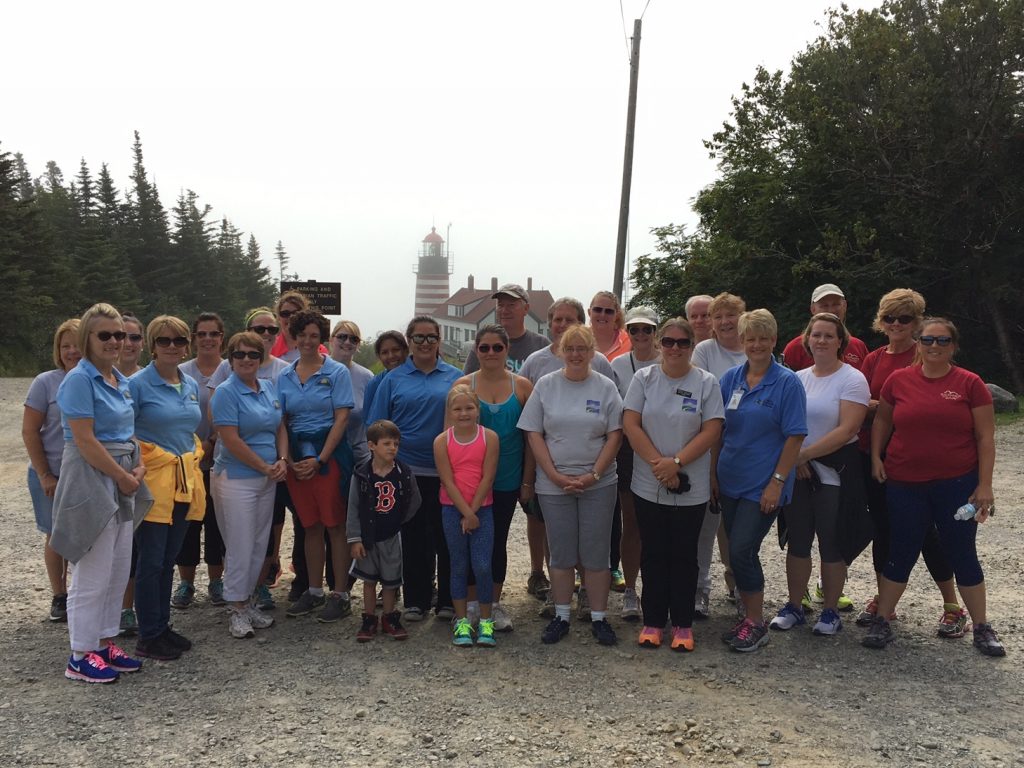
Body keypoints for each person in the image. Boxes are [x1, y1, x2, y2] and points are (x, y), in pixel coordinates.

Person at [865, 318, 1003, 656]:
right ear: (919, 343)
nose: (934, 347)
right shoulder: (898, 380)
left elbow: (985, 437)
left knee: (962, 553)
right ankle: (883, 620)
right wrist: (875, 457)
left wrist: (985, 485)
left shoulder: (970, 384)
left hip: (956, 484)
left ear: (953, 346)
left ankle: (982, 626)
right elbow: (882, 419)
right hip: (904, 482)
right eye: (928, 340)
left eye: (942, 341)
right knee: (902, 549)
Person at [50, 303, 152, 683]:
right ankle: (80, 653)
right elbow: (85, 440)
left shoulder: (119, 381)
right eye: (105, 335)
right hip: (93, 478)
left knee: (116, 566)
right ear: (87, 339)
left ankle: (104, 640)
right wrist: (122, 476)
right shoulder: (79, 380)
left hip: (122, 475)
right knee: (92, 570)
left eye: (119, 335)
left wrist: (136, 467)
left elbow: (124, 432)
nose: (114, 341)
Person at [855, 289, 963, 633]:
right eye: (890, 318)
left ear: (918, 322)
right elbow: (862, 404)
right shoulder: (873, 359)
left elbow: (936, 403)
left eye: (905, 318)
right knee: (882, 528)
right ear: (881, 322)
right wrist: (884, 409)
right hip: (874, 452)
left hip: (917, 456)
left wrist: (883, 406)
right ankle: (883, 600)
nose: (897, 324)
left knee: (929, 532)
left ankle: (952, 605)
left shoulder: (927, 355)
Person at [518, 325, 623, 647]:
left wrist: (594, 474)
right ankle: (562, 616)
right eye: (570, 348)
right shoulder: (547, 386)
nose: (576, 354)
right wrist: (553, 475)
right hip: (554, 483)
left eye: (582, 349)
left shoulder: (605, 387)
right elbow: (533, 433)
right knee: (561, 553)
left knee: (595, 553)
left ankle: (599, 618)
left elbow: (616, 434)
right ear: (561, 351)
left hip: (599, 483)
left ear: (592, 353)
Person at [622, 318, 724, 651]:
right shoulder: (644, 378)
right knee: (653, 553)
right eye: (668, 342)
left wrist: (676, 463)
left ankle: (682, 624)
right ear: (660, 345)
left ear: (692, 345)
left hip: (690, 485)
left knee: (685, 555)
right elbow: (631, 424)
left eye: (682, 342)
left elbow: (711, 430)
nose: (675, 348)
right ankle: (652, 621)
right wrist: (660, 465)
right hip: (648, 482)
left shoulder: (706, 383)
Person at [768, 313, 868, 637]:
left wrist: (805, 454)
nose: (822, 340)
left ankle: (830, 611)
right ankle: (795, 605)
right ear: (807, 339)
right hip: (797, 471)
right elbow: (782, 423)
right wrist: (794, 460)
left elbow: (848, 428)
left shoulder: (852, 379)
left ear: (841, 341)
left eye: (829, 335)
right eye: (816, 335)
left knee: (831, 541)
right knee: (798, 541)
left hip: (835, 471)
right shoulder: (795, 377)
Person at [716, 309, 807, 653]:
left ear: (774, 340)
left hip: (763, 484)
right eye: (750, 338)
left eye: (763, 338)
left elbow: (795, 436)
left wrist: (778, 482)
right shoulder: (730, 379)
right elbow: (718, 429)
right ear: (741, 341)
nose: (756, 344)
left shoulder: (787, 383)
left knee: (742, 549)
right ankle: (747, 616)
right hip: (729, 481)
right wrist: (712, 476)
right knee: (737, 553)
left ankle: (756, 621)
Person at [366, 317, 462, 621]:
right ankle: (416, 600)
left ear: (439, 339)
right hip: (406, 471)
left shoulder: (457, 377)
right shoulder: (393, 378)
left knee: (447, 537)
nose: (425, 344)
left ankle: (448, 599)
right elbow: (378, 425)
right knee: (413, 537)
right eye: (418, 338)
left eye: (430, 337)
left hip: (446, 471)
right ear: (409, 341)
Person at [128, 315, 205, 660]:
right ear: (152, 344)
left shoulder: (189, 384)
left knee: (168, 559)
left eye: (178, 341)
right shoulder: (137, 385)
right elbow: (123, 432)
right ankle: (148, 634)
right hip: (154, 484)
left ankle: (161, 625)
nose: (172, 347)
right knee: (151, 560)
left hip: (184, 482)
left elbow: (189, 431)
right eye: (164, 341)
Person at [452, 325, 535, 632]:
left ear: (506, 350)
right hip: (469, 483)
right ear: (476, 350)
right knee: (469, 541)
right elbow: (450, 437)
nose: (490, 353)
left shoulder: (523, 387)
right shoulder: (463, 384)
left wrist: (528, 481)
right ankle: (473, 605)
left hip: (507, 478)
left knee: (496, 540)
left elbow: (533, 440)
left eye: (496, 348)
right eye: (483, 348)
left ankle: (494, 603)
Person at [208, 307, 290, 608]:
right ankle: (237, 608)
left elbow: (280, 425)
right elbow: (229, 439)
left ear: (260, 359)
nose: (246, 360)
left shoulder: (267, 387)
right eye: (240, 355)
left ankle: (250, 600)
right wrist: (265, 467)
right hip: (237, 478)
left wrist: (282, 459)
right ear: (230, 360)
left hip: (266, 477)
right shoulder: (226, 392)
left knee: (259, 544)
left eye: (253, 355)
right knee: (240, 545)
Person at [279, 309, 356, 623]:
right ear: (294, 337)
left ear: (322, 338)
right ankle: (313, 591)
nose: (308, 341)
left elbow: (341, 419)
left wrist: (322, 458)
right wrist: (287, 459)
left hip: (330, 455)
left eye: (314, 335)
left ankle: (340, 594)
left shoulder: (336, 372)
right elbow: (281, 421)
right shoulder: (284, 375)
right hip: (297, 455)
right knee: (310, 526)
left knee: (335, 526)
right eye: (302, 335)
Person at [691, 292, 747, 617]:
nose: (725, 321)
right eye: (718, 316)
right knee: (705, 527)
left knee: (738, 530)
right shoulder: (705, 351)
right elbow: (703, 401)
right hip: (712, 446)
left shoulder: (754, 347)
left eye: (731, 315)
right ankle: (700, 589)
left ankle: (739, 587)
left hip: (746, 451)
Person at [22, 318, 81, 622]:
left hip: (86, 473)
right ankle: (60, 596)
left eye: (77, 344)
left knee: (88, 535)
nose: (71, 351)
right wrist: (45, 474)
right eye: (65, 345)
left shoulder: (100, 379)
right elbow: (30, 431)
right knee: (56, 536)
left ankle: (85, 595)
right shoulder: (46, 382)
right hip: (52, 473)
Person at [435, 385, 500, 646]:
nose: (464, 413)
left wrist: (473, 513)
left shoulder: (489, 437)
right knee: (458, 565)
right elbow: (447, 481)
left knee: (483, 565)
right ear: (450, 412)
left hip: (482, 510)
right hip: (452, 510)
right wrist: (464, 512)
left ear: (477, 410)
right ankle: (462, 622)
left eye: (469, 407)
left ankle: (486, 621)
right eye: (458, 408)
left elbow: (488, 476)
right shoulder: (442, 441)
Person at [609, 306, 662, 622]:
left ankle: (660, 587)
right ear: (626, 332)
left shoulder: (668, 359)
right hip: (629, 449)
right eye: (635, 330)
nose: (641, 335)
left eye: (647, 330)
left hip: (664, 444)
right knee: (632, 522)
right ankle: (630, 589)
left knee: (662, 524)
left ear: (656, 332)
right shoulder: (617, 364)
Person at [349, 420, 422, 642]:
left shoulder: (403, 473)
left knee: (391, 581)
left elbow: (414, 500)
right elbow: (352, 507)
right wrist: (354, 538)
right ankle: (369, 619)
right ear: (371, 445)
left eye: (396, 444)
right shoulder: (361, 475)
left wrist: (400, 521)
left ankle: (389, 617)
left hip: (392, 535)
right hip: (368, 537)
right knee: (369, 581)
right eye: (387, 443)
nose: (392, 448)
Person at [174, 312, 226, 610]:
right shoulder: (181, 371)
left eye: (214, 334)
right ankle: (186, 583)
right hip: (184, 462)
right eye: (202, 334)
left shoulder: (232, 369)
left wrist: (213, 442)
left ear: (222, 338)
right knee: (187, 524)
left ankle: (217, 581)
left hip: (220, 459)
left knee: (216, 524)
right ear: (193, 339)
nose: (208, 339)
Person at [114, 311, 145, 636]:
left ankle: (127, 608)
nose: (127, 343)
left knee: (135, 545)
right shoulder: (98, 378)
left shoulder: (145, 379)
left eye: (135, 337)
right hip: (109, 471)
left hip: (142, 471)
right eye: (120, 336)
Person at [462, 283, 549, 375]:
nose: (504, 310)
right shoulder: (484, 346)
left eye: (511, 305)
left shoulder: (541, 344)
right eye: (500, 305)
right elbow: (466, 383)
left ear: (526, 309)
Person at [781, 284, 869, 371]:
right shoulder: (796, 347)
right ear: (813, 309)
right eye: (824, 305)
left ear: (845, 306)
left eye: (836, 304)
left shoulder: (858, 346)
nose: (831, 310)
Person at [329, 319, 374, 466]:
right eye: (342, 337)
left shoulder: (367, 377)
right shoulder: (316, 372)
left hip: (358, 459)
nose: (347, 342)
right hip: (322, 456)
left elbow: (372, 419)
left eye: (353, 339)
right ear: (331, 340)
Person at [362, 330, 410, 420]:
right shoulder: (375, 384)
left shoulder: (417, 377)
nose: (391, 356)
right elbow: (369, 422)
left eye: (395, 350)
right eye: (384, 352)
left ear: (406, 351)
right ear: (379, 356)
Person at [270, 291, 327, 363]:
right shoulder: (270, 349)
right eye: (285, 314)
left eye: (295, 313)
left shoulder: (320, 350)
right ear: (278, 318)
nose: (290, 317)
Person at [589, 290, 631, 361]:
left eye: (609, 311)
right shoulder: (577, 339)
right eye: (598, 310)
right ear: (589, 312)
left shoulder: (630, 342)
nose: (602, 315)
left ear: (617, 315)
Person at [116, 313, 145, 378]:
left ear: (143, 343)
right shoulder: (97, 380)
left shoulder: (151, 380)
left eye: (135, 337)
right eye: (122, 337)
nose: (128, 344)